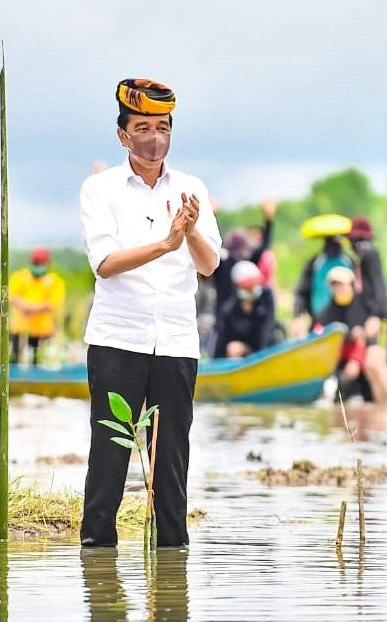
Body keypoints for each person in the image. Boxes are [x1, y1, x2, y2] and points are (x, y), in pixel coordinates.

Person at [78, 79, 221, 548]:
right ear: (123, 135)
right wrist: (165, 244)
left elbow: (209, 264)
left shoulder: (191, 188)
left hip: (176, 342)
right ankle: (97, 555)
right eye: (142, 127)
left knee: (171, 459)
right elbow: (104, 264)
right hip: (118, 340)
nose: (153, 138)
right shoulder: (100, 189)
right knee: (111, 454)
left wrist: (191, 229)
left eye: (162, 127)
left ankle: (172, 560)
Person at [348, 216, 387, 405]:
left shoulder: (370, 255)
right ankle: (381, 409)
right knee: (369, 366)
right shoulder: (359, 261)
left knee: (376, 363)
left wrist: (375, 316)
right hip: (372, 316)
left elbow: (378, 288)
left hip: (381, 316)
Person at [213, 198, 277, 313]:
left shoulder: (225, 262)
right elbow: (264, 247)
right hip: (233, 317)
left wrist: (212, 216)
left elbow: (213, 244)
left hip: (225, 316)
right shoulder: (245, 262)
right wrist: (268, 219)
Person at [8, 246, 67, 366]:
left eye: (41, 263)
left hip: (43, 331)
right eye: (36, 262)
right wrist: (27, 306)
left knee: (40, 362)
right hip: (21, 329)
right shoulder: (20, 277)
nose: (38, 265)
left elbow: (52, 303)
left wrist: (30, 308)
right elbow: (11, 296)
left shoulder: (54, 281)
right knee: (16, 360)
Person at [317, 266, 370, 399]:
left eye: (341, 285)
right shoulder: (328, 310)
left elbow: (363, 338)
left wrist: (355, 361)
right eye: (335, 286)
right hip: (337, 359)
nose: (338, 289)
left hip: (360, 358)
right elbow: (319, 334)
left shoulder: (362, 305)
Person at [292, 233, 354, 338]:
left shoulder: (348, 262)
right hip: (319, 316)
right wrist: (298, 314)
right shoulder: (315, 262)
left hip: (347, 316)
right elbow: (302, 290)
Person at [213, 261, 277, 359]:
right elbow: (221, 344)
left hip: (264, 354)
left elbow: (268, 331)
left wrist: (251, 351)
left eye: (255, 284)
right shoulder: (229, 311)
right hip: (239, 361)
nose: (253, 289)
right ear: (237, 287)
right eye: (248, 287)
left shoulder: (266, 299)